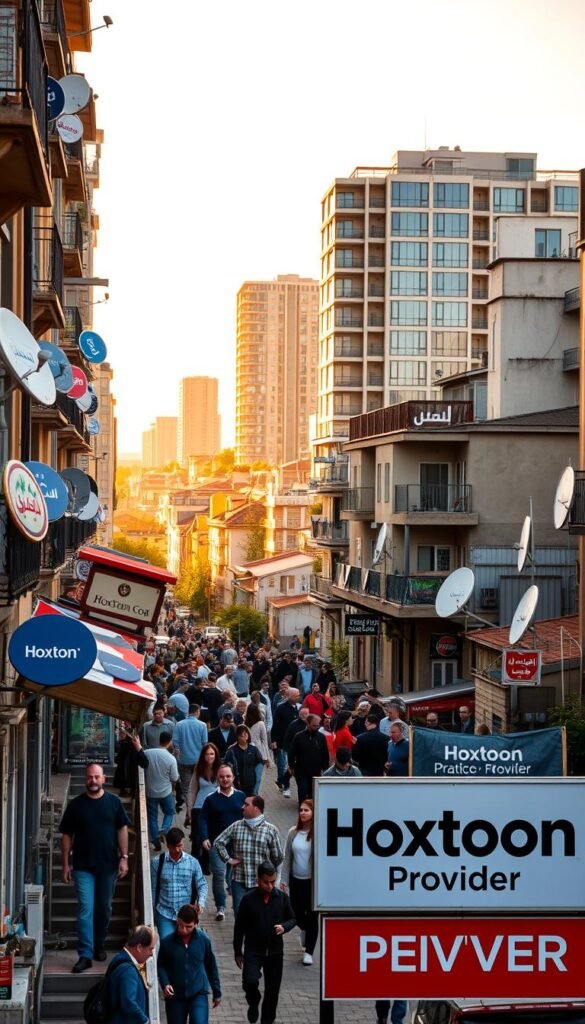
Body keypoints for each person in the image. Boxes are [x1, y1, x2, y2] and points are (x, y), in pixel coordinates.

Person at [60, 763, 130, 973]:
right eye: (90, 777)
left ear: (103, 779)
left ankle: (99, 942)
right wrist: (65, 863)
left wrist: (124, 857)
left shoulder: (114, 803)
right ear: (85, 780)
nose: (93, 781)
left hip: (108, 866)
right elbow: (66, 835)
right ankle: (85, 954)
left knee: (104, 909)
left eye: (96, 777)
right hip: (83, 866)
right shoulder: (76, 805)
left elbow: (122, 829)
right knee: (85, 909)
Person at [234, 861, 295, 1024]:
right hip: (253, 950)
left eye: (272, 882)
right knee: (250, 981)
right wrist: (237, 952)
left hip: (275, 952)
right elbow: (239, 926)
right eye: (266, 882)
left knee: (272, 991)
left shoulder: (282, 898)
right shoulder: (248, 900)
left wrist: (284, 927)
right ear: (258, 880)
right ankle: (253, 1001)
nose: (270, 885)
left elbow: (293, 918)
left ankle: (267, 1021)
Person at [213, 795, 283, 914]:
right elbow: (218, 842)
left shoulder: (271, 830)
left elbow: (278, 857)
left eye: (246, 804)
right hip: (239, 881)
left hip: (261, 884)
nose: (242, 807)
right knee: (239, 913)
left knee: (260, 915)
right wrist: (228, 859)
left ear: (256, 808)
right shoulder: (236, 826)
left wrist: (270, 874)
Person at [158, 904, 221, 1024]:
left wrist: (216, 992)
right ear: (177, 920)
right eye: (181, 925)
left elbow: (211, 966)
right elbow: (161, 965)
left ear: (195, 924)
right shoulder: (167, 943)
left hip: (198, 993)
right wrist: (165, 983)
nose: (183, 930)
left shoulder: (204, 940)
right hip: (175, 997)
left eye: (189, 927)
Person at [199, 765, 246, 921]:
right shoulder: (210, 799)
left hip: (238, 844)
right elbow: (203, 819)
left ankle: (238, 906)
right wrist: (204, 837)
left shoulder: (241, 796)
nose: (225, 779)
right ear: (217, 779)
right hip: (216, 844)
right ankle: (220, 907)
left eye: (228, 776)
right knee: (219, 874)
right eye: (221, 777)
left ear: (233, 778)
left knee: (234, 876)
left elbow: (248, 818)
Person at [151, 827, 208, 942]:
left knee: (186, 945)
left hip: (186, 914)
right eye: (174, 846)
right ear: (168, 845)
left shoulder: (193, 862)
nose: (177, 850)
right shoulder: (157, 862)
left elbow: (202, 884)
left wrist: (200, 903)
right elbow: (152, 888)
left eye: (180, 845)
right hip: (164, 913)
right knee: (168, 944)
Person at [280, 801, 318, 966]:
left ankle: (309, 951)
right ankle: (304, 929)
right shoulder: (293, 833)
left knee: (312, 915)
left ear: (313, 813)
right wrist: (283, 880)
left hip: (313, 883)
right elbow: (287, 857)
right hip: (296, 880)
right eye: (301, 810)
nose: (303, 813)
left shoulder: (318, 833)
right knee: (296, 913)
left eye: (307, 810)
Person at [108, 924, 157, 1024]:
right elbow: (129, 1003)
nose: (152, 953)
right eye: (150, 949)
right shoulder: (128, 971)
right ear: (139, 947)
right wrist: (145, 1021)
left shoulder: (119, 958)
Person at [144, 731, 180, 851]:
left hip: (150, 791)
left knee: (152, 817)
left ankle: (155, 839)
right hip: (165, 791)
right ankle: (164, 830)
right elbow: (174, 778)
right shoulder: (171, 758)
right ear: (170, 742)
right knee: (170, 812)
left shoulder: (147, 753)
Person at [188, 743, 221, 870]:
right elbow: (192, 790)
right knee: (197, 838)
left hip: (214, 808)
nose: (209, 756)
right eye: (207, 754)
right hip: (199, 807)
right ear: (203, 755)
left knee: (210, 837)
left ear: (216, 755)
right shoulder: (199, 768)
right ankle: (193, 864)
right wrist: (189, 809)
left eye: (212, 753)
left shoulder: (220, 769)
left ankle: (206, 864)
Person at [288, 713, 329, 803]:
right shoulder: (299, 736)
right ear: (308, 723)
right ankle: (302, 811)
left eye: (318, 725)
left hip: (316, 771)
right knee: (302, 792)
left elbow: (325, 753)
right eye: (314, 725)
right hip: (301, 770)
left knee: (313, 794)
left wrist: (324, 768)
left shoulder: (321, 737)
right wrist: (291, 766)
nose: (317, 728)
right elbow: (292, 752)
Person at [174, 704, 209, 801]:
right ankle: (196, 804)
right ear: (197, 712)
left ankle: (188, 805)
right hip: (198, 760)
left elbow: (175, 742)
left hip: (183, 760)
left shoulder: (179, 724)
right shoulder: (202, 725)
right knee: (197, 784)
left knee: (186, 786)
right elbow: (205, 744)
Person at [271, 687, 300, 797]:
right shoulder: (281, 708)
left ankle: (281, 780)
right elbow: (275, 725)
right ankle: (285, 785)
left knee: (291, 764)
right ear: (290, 696)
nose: (298, 697)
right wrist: (273, 740)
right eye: (297, 695)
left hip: (295, 742)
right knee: (282, 764)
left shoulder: (299, 708)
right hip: (282, 741)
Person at [225, 726, 263, 797]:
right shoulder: (231, 751)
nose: (244, 736)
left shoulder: (253, 749)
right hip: (236, 785)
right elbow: (226, 766)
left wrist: (257, 783)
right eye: (241, 734)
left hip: (251, 785)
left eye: (246, 733)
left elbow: (260, 765)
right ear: (237, 737)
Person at [244, 703, 271, 794]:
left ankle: (253, 793)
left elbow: (264, 741)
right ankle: (254, 793)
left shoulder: (249, 724)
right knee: (257, 777)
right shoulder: (259, 724)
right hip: (257, 753)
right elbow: (265, 741)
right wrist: (267, 758)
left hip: (252, 752)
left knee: (254, 776)